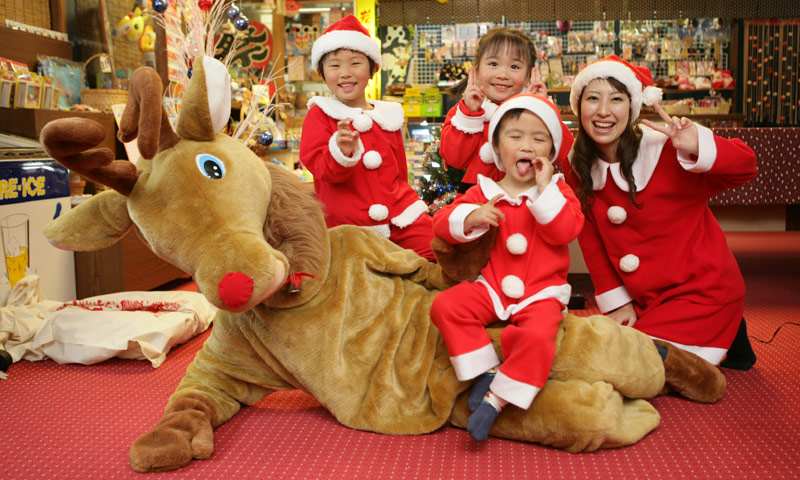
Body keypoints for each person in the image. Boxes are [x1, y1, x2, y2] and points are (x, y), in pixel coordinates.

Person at [562, 55, 758, 371]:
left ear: (632, 107)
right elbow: (591, 240)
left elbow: (746, 166)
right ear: (578, 106)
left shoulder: (663, 148)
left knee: (627, 367)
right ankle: (732, 336)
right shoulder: (578, 163)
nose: (602, 111)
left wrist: (698, 144)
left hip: (700, 293)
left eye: (616, 99)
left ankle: (723, 330)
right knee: (606, 353)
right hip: (644, 300)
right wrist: (618, 302)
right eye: (592, 99)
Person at [430, 94, 583, 441]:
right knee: (446, 305)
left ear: (551, 151)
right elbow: (441, 223)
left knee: (537, 335)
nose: (526, 145)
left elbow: (567, 231)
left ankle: (497, 399)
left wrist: (545, 191)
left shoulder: (558, 192)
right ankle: (484, 370)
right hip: (493, 287)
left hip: (541, 292)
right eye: (515, 136)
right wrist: (472, 216)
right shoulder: (486, 190)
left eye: (538, 138)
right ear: (497, 147)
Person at [299, 15, 434, 261]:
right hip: (350, 223)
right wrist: (341, 151)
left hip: (400, 215)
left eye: (355, 63)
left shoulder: (388, 115)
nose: (345, 73)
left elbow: (400, 171)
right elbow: (320, 169)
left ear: (372, 68)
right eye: (335, 65)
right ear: (322, 73)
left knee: (435, 251)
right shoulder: (320, 114)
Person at [439, 27, 547, 194]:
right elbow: (454, 159)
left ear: (528, 75)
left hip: (525, 200)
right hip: (476, 202)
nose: (503, 74)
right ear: (476, 68)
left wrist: (542, 108)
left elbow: (558, 155)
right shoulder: (464, 112)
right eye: (493, 64)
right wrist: (470, 114)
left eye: (514, 66)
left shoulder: (533, 109)